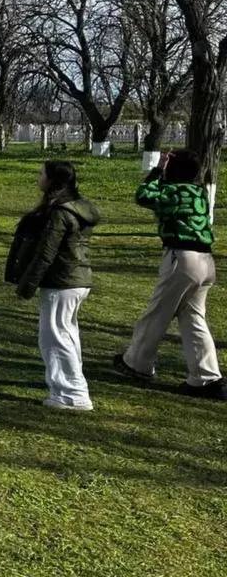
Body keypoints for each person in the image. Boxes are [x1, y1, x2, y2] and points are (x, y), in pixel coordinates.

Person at [113, 150, 225, 400]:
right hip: (206, 261)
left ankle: (137, 363)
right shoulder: (198, 192)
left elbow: (144, 196)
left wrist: (156, 172)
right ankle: (206, 377)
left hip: (182, 260)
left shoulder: (175, 192)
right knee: (193, 318)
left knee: (157, 314)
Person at [7, 160, 101, 411]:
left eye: (42, 174)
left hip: (62, 281)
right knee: (66, 335)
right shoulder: (75, 207)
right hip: (76, 279)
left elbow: (46, 252)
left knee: (55, 338)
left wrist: (27, 285)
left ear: (53, 180)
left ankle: (72, 395)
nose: (38, 177)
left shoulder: (61, 212)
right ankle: (70, 388)